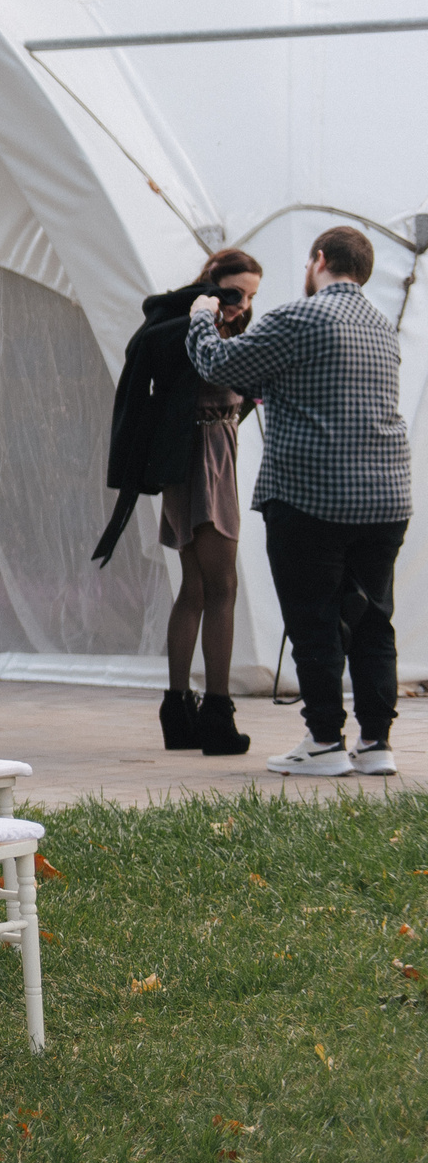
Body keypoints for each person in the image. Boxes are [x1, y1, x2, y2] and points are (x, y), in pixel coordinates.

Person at [186, 226, 410, 778]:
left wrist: (199, 314)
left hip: (312, 498)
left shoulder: (298, 318)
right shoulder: (383, 327)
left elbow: (217, 364)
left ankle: (324, 742)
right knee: (373, 620)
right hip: (385, 498)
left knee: (314, 619)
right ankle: (376, 743)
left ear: (319, 260)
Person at [97, 250, 264, 753]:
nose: (242, 305)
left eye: (252, 295)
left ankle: (179, 710)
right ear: (212, 284)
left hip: (215, 452)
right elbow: (148, 348)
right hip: (198, 458)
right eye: (235, 293)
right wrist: (203, 312)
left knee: (196, 586)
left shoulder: (232, 327)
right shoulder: (185, 320)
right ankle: (215, 712)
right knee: (221, 587)